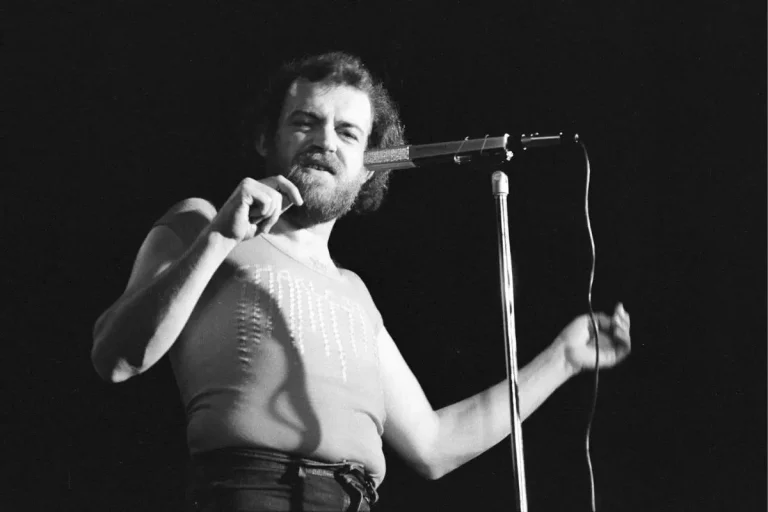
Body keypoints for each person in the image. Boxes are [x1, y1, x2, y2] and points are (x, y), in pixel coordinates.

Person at [90, 52, 631, 512]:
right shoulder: (200, 223)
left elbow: (434, 445)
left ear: (371, 163)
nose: (325, 141)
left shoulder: (353, 292)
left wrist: (562, 359)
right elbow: (115, 359)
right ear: (265, 137)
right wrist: (217, 239)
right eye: (305, 122)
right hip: (252, 492)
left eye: (347, 132)